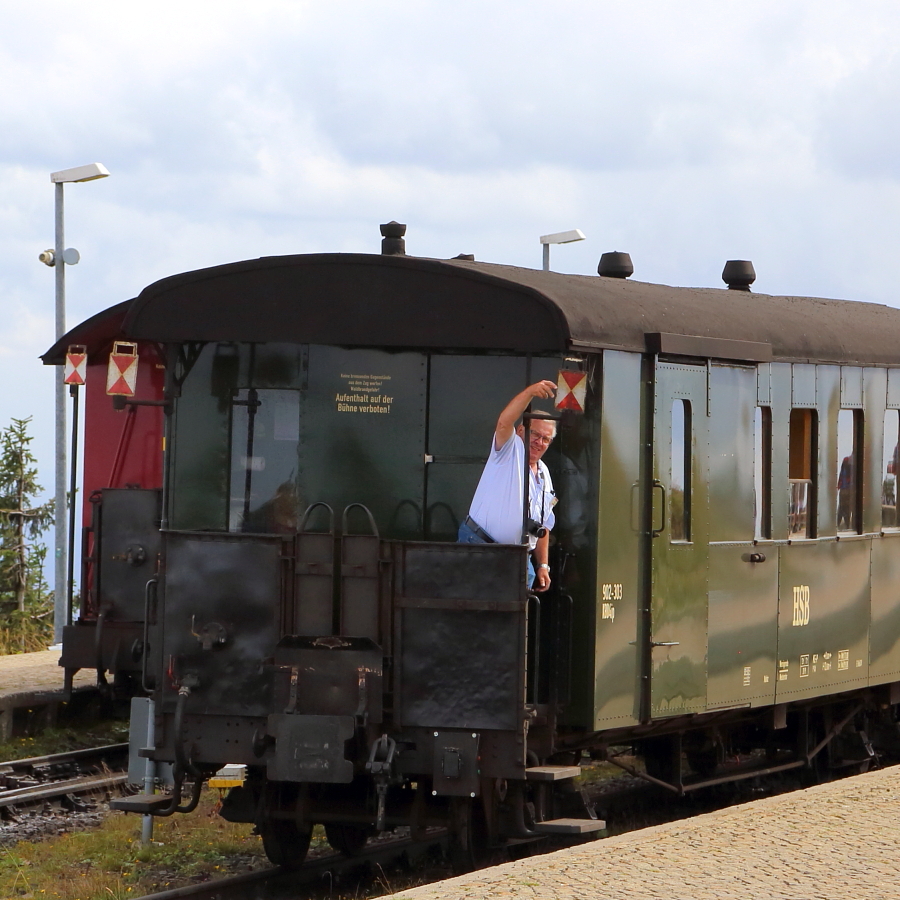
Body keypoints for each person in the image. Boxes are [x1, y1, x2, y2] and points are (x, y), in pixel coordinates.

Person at [458, 380, 558, 591]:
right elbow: (504, 422)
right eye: (536, 434)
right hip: (482, 548)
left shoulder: (544, 473)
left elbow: (544, 525)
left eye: (546, 439)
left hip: (518, 558)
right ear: (521, 430)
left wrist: (543, 565)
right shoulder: (509, 450)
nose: (539, 442)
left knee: (510, 622)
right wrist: (530, 392)